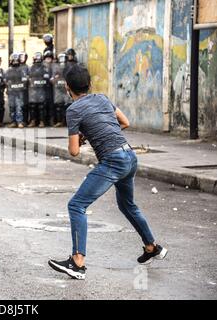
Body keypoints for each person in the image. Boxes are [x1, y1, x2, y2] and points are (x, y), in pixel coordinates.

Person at [48, 64, 168, 280]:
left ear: (67, 87)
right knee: (127, 205)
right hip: (129, 156)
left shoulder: (73, 110)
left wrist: (84, 138)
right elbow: (125, 122)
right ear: (90, 84)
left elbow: (74, 151)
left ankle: (77, 262)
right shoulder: (102, 98)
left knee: (77, 205)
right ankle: (152, 247)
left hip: (113, 161)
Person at [28, 52, 50, 128]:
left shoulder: (44, 67)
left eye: (38, 58)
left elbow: (47, 78)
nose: (37, 59)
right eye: (36, 58)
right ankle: (33, 121)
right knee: (32, 106)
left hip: (42, 90)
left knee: (41, 106)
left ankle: (42, 121)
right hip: (33, 91)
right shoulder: (31, 67)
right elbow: (28, 78)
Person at [5, 53, 27, 128]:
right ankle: (13, 121)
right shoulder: (8, 70)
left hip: (19, 92)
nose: (15, 62)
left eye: (16, 60)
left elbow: (24, 80)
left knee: (19, 107)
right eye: (13, 60)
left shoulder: (22, 70)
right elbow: (5, 80)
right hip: (11, 92)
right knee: (12, 106)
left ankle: (19, 122)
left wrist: (20, 84)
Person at [51, 53, 72, 127]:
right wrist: (54, 80)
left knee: (68, 106)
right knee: (58, 106)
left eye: (63, 58)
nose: (62, 60)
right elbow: (52, 78)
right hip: (58, 90)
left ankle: (67, 122)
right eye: (61, 58)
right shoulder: (55, 67)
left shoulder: (69, 67)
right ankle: (59, 121)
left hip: (67, 90)